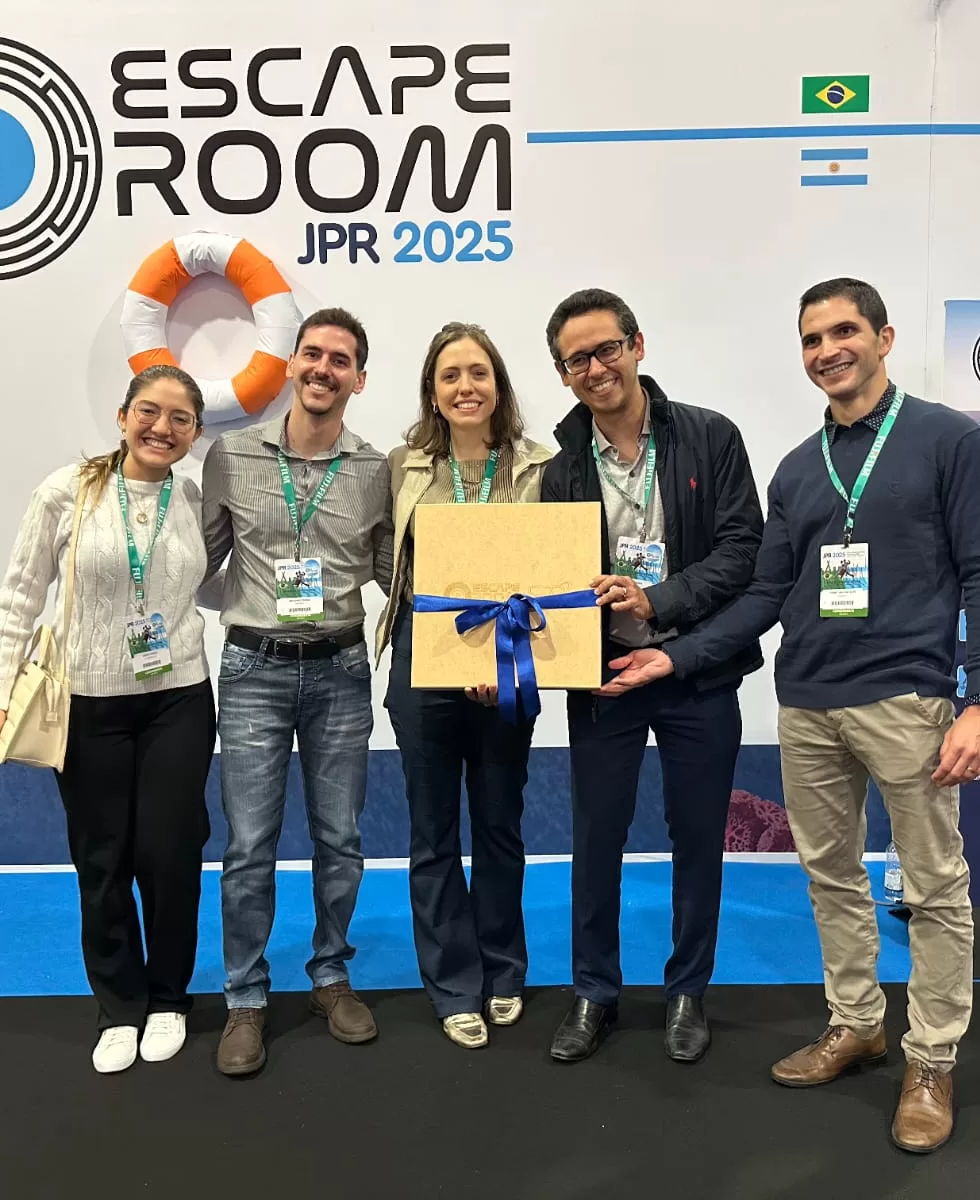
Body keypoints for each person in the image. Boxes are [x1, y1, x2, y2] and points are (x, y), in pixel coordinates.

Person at [599, 277, 980, 1153]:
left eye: (844, 332)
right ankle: (856, 1022)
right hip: (809, 703)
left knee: (933, 887)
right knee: (830, 876)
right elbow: (765, 593)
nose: (828, 351)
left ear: (884, 338)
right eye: (812, 339)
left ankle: (932, 1059)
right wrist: (675, 651)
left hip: (908, 700)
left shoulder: (948, 438)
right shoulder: (797, 467)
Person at [537, 288, 765, 1064]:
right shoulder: (559, 470)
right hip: (605, 678)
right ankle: (593, 992)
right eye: (577, 359)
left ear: (637, 346)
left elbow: (742, 551)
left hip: (697, 670)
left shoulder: (710, 436)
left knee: (697, 837)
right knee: (595, 838)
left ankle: (687, 991)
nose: (596, 368)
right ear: (563, 375)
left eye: (607, 349)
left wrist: (659, 599)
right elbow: (550, 584)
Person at [0, 365, 216, 1075]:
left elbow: (213, 582)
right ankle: (119, 1005)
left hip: (179, 698)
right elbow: (19, 596)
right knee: (102, 857)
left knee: (171, 853)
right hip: (88, 702)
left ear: (195, 432)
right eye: (149, 411)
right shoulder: (66, 491)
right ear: (122, 415)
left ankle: (168, 996)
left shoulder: (191, 496)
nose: (162, 428)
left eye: (179, 419)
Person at [201, 307, 395, 1077]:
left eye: (340, 360)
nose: (323, 369)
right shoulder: (230, 456)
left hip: (341, 672)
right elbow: (197, 562)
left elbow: (399, 576)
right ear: (291, 365)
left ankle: (330, 976)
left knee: (340, 839)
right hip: (253, 670)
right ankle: (246, 997)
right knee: (248, 846)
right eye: (312, 354)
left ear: (359, 380)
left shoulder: (377, 470)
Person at [374, 321, 555, 1049]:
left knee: (500, 823)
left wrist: (496, 653)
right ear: (432, 391)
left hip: (509, 658)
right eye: (449, 376)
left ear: (499, 385)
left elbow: (553, 564)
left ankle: (504, 968)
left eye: (478, 373)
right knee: (433, 831)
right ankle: (453, 982)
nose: (465, 387)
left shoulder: (541, 465)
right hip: (425, 658)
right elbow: (389, 558)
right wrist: (447, 644)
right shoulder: (404, 465)